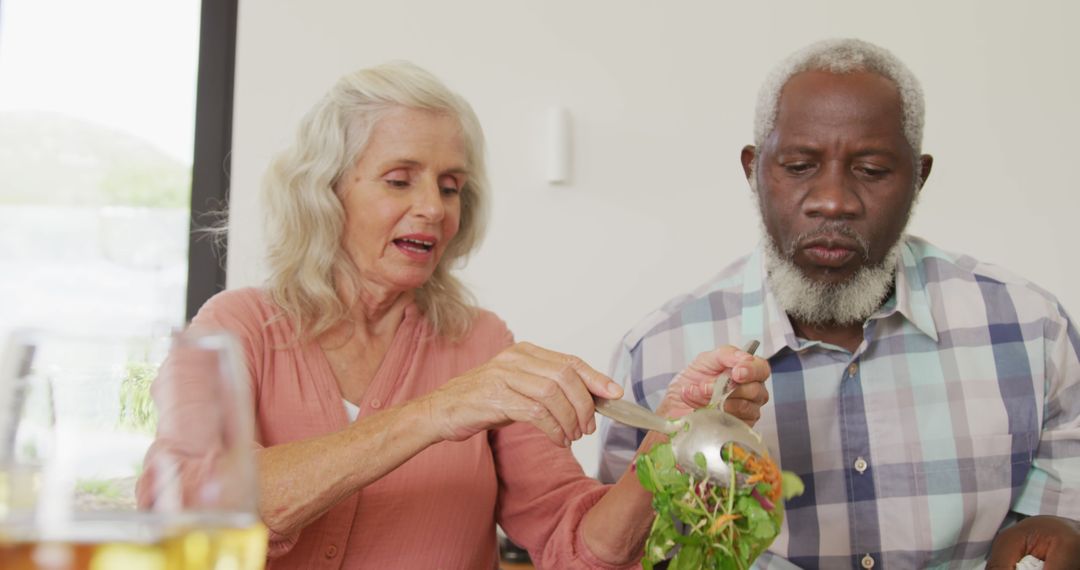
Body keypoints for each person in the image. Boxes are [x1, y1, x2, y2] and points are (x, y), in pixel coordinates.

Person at [135, 61, 771, 569]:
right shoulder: (234, 328)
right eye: (398, 179)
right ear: (325, 191)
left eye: (450, 185)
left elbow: (577, 544)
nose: (434, 208)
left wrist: (667, 445)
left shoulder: (481, 343)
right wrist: (440, 411)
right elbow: (193, 506)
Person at [598, 38, 1080, 569]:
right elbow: (620, 550)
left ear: (919, 178)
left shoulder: (1031, 329)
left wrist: (1059, 533)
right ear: (753, 170)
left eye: (871, 170)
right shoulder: (658, 354)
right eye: (800, 166)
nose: (833, 200)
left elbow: (1060, 522)